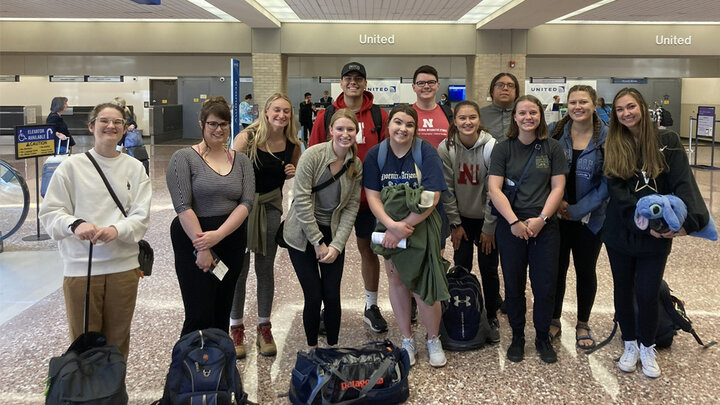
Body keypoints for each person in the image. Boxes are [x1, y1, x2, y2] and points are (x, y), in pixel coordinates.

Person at [603, 88, 711, 378]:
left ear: (642, 107)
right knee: (623, 290)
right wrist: (644, 224)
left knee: (648, 292)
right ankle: (630, 344)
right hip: (622, 232)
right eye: (620, 109)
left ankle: (648, 346)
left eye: (630, 107)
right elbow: (618, 192)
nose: (626, 113)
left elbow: (683, 183)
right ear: (615, 115)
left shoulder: (668, 141)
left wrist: (685, 223)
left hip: (658, 235)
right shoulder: (613, 143)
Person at [39, 102, 151, 360]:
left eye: (117, 122)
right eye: (104, 120)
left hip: (123, 268)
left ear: (124, 129)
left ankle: (113, 394)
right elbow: (50, 213)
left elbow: (141, 216)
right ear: (92, 126)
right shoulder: (71, 167)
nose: (111, 126)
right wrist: (76, 224)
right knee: (84, 343)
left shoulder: (134, 168)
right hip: (82, 269)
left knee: (118, 342)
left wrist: (117, 229)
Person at [364, 104, 450, 368]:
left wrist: (404, 225)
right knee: (397, 279)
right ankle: (407, 339)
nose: (403, 128)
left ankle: (433, 338)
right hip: (390, 229)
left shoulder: (426, 152)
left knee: (425, 284)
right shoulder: (376, 155)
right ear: (389, 126)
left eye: (409, 124)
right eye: (398, 123)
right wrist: (391, 225)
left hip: (423, 225)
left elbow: (432, 196)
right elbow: (372, 195)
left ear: (416, 128)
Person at [309, 61, 390, 333]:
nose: (353, 82)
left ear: (365, 83)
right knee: (331, 253)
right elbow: (314, 155)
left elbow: (389, 155)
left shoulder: (379, 116)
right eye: (348, 77)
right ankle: (327, 307)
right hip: (332, 203)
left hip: (369, 200)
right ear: (341, 83)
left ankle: (371, 306)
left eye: (358, 78)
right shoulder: (326, 115)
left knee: (368, 250)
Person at [488, 95, 567, 364]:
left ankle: (543, 337)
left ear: (540, 116)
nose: (527, 118)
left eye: (533, 112)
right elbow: (494, 189)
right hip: (511, 226)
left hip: (545, 226)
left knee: (545, 286)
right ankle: (518, 337)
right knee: (514, 285)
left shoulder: (552, 148)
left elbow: (558, 187)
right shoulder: (503, 148)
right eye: (522, 113)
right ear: (515, 117)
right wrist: (513, 222)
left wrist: (542, 219)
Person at [167, 97, 255, 337]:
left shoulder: (242, 161)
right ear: (202, 124)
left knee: (222, 307)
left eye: (224, 124)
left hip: (230, 239)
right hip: (194, 240)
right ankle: (190, 369)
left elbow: (246, 202)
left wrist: (220, 235)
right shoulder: (183, 158)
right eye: (213, 124)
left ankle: (217, 366)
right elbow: (183, 206)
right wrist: (204, 247)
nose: (219, 130)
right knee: (199, 312)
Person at [283, 108, 362, 348]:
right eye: (340, 129)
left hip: (333, 232)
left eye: (350, 129)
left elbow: (351, 207)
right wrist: (318, 242)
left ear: (356, 132)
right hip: (302, 233)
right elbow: (303, 199)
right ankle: (312, 350)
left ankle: (332, 349)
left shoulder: (355, 164)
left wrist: (337, 245)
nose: (345, 134)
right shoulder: (313, 156)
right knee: (314, 296)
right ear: (330, 131)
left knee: (332, 295)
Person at [230, 93, 301, 358]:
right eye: (276, 110)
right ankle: (236, 326)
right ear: (266, 112)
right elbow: (228, 173)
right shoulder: (246, 138)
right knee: (239, 270)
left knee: (265, 268)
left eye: (286, 111)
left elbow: (298, 174)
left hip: (271, 208)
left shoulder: (293, 143)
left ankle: (264, 325)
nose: (281, 115)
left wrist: (293, 171)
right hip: (241, 209)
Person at [547, 85, 609, 349]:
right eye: (573, 102)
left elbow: (608, 183)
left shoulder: (607, 137)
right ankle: (554, 318)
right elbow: (545, 169)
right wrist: (557, 201)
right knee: (556, 270)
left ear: (594, 104)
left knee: (585, 271)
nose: (577, 107)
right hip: (557, 216)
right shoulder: (555, 133)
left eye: (583, 102)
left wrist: (578, 209)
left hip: (590, 220)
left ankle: (583, 322)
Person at [438, 100, 500, 343]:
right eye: (462, 118)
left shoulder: (491, 147)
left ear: (478, 120)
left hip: (486, 219)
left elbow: (494, 191)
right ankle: (461, 310)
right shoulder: (446, 148)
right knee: (461, 266)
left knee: (489, 268)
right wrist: (455, 223)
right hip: (461, 220)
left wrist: (489, 226)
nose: (467, 122)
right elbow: (447, 189)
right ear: (455, 121)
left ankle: (492, 314)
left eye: (472, 117)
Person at [411, 65, 453, 148]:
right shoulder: (405, 115)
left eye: (431, 82)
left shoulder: (451, 113)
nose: (426, 86)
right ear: (414, 87)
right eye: (421, 83)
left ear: (438, 86)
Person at [479, 72, 520, 143]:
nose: (505, 88)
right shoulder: (479, 115)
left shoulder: (524, 114)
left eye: (510, 85)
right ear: (492, 91)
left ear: (516, 93)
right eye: (500, 85)